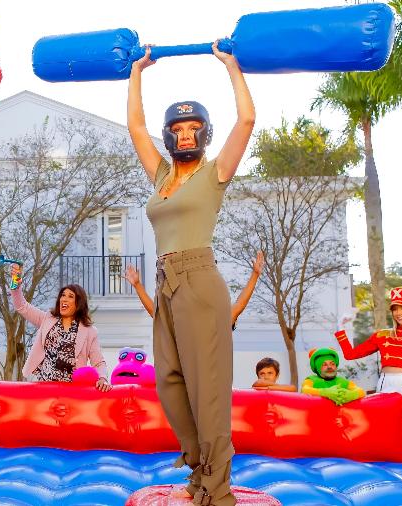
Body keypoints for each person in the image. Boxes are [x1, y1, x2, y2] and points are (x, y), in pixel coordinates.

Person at [127, 40, 255, 506]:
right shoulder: (162, 177)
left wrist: (231, 66)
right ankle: (199, 470)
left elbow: (246, 121)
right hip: (166, 284)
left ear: (203, 133)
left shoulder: (215, 172)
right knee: (170, 382)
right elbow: (135, 126)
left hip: (200, 281)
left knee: (209, 394)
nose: (185, 135)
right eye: (177, 128)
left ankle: (216, 492)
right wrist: (138, 70)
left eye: (193, 128)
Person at [334, 286, 402, 466]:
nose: (399, 313)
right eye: (395, 308)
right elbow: (351, 354)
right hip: (385, 391)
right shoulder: (382, 336)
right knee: (386, 449)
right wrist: (341, 327)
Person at [124, 250, 264, 330]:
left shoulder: (216, 319)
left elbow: (240, 304)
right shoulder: (183, 313)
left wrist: (255, 275)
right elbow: (156, 313)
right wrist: (137, 285)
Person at [12, 283, 111, 392]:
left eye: (70, 296)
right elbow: (21, 306)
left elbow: (98, 362)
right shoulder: (47, 319)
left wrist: (103, 378)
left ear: (79, 303)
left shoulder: (90, 331)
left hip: (71, 391)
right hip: (43, 386)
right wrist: (16, 280)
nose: (64, 299)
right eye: (63, 295)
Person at [300, 348, 365, 405]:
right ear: (318, 368)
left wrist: (350, 395)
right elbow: (305, 390)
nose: (329, 367)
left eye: (332, 364)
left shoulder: (342, 381)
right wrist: (326, 392)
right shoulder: (311, 380)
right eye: (324, 365)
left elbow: (361, 391)